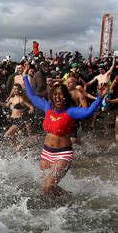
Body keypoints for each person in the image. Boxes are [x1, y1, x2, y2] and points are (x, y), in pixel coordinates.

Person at [22, 63, 106, 196]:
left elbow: (88, 112)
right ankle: (61, 202)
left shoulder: (71, 111)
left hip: (62, 154)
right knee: (44, 186)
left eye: (61, 95)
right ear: (52, 97)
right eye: (55, 95)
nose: (58, 97)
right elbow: (31, 96)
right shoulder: (47, 107)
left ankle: (69, 199)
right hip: (46, 152)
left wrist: (100, 98)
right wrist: (25, 76)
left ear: (66, 97)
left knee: (48, 187)